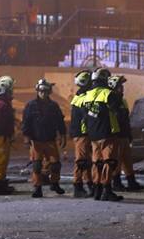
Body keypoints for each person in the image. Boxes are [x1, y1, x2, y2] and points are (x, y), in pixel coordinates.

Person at [83, 67, 124, 202]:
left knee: (97, 162)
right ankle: (107, 189)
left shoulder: (87, 95)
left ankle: (97, 190)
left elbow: (85, 116)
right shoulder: (108, 94)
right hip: (108, 132)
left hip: (93, 134)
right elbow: (117, 108)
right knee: (109, 161)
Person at [22, 79, 67, 198]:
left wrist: (63, 135)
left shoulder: (54, 106)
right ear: (37, 91)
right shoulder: (31, 106)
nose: (43, 93)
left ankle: (55, 183)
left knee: (55, 164)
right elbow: (26, 122)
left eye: (45, 91)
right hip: (36, 140)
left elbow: (59, 121)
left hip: (50, 139)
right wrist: (26, 137)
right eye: (41, 91)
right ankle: (37, 188)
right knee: (37, 165)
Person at [108, 75, 144, 192]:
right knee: (117, 160)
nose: (122, 88)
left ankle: (131, 181)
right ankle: (116, 183)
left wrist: (129, 134)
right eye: (119, 86)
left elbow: (126, 119)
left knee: (127, 160)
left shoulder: (122, 101)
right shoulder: (111, 100)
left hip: (123, 134)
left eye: (122, 86)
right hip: (116, 135)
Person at [70, 70, 94, 198]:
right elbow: (87, 117)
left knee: (86, 161)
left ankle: (89, 184)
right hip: (82, 134)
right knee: (81, 161)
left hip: (81, 133)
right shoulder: (83, 98)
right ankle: (78, 186)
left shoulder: (78, 97)